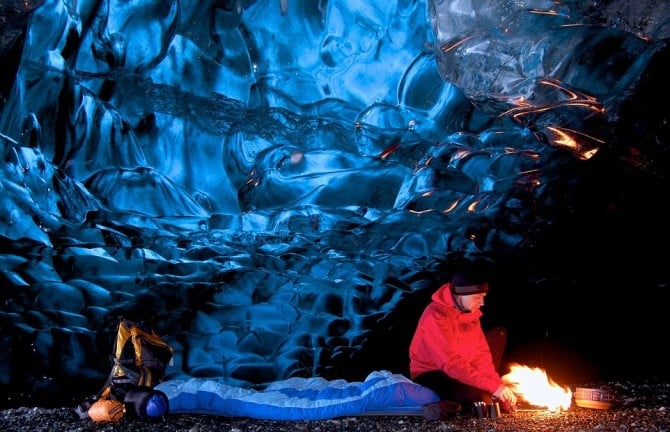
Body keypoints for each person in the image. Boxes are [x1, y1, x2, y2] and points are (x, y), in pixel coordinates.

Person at [409, 266, 517, 419]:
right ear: (461, 294)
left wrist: (499, 389)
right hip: (432, 372)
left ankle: (455, 404)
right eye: (477, 297)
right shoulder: (435, 315)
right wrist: (493, 388)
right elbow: (451, 363)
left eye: (483, 296)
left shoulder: (472, 315)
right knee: (477, 401)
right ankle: (437, 409)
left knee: (487, 399)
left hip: (459, 369)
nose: (482, 303)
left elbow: (482, 359)